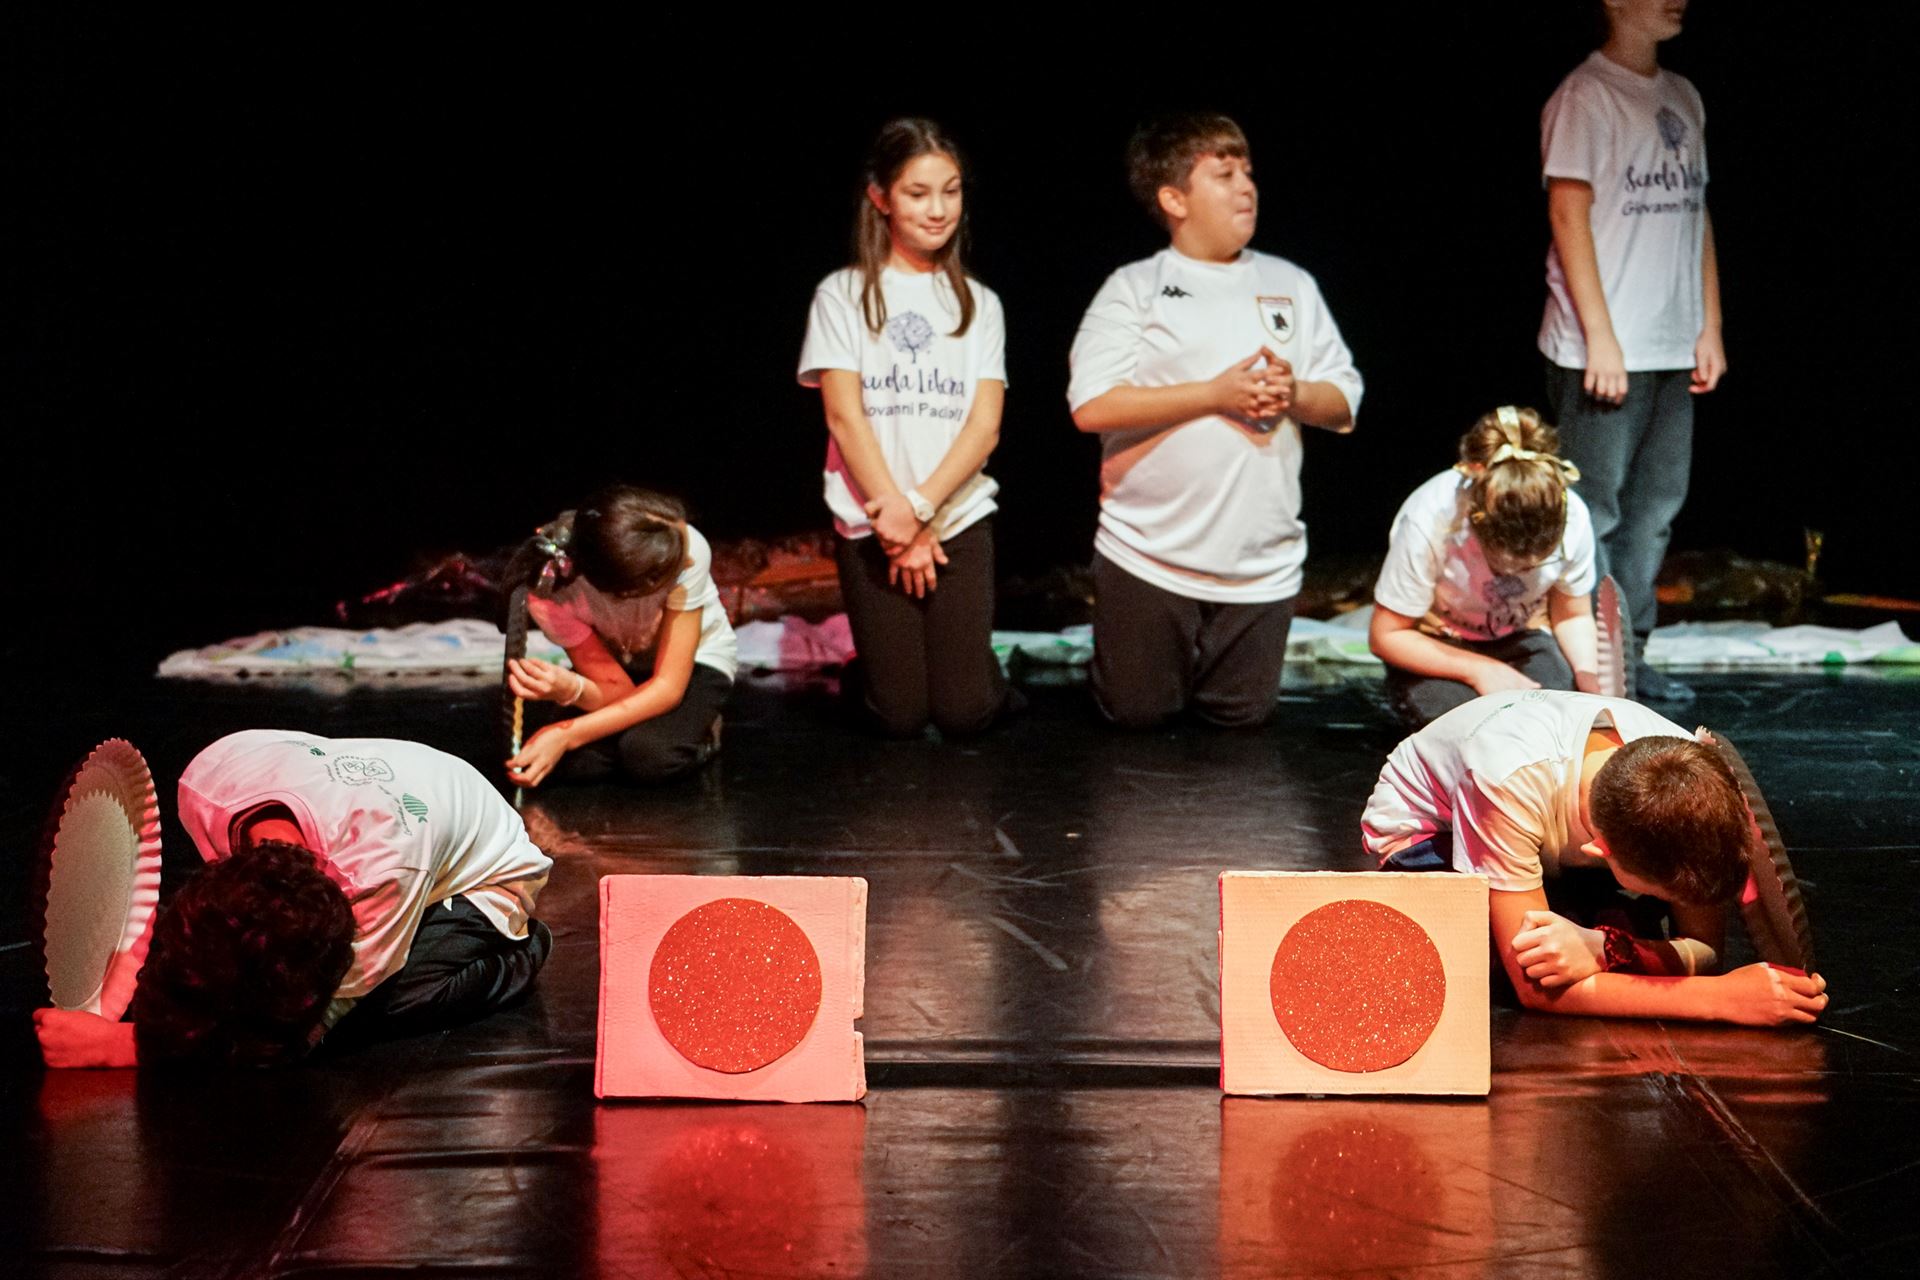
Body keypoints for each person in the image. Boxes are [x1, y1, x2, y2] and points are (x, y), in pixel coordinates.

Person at [1068, 112, 1362, 729]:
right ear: (1174, 199)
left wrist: (1293, 393)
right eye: (1224, 175)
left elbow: (1343, 400)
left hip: (1260, 567)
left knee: (1241, 725)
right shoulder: (1136, 287)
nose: (1246, 187)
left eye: (1247, 173)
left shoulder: (1290, 282)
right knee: (1138, 717)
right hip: (1149, 554)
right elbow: (1092, 405)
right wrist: (1214, 394)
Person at [35, 730, 553, 1068]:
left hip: (484, 881)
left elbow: (299, 1032)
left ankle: (522, 950)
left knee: (364, 1018)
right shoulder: (205, 783)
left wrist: (131, 1047)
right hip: (408, 811)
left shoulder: (383, 872)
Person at [1361, 691, 1828, 1025]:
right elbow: (1536, 991)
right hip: (1430, 835)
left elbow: (1705, 951)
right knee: (1500, 965)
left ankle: (1596, 927)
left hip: (1550, 847)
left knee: (1608, 944)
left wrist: (1601, 949)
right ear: (1599, 852)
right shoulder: (1503, 779)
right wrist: (1721, 1000)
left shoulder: (1688, 767)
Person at [797, 117, 1011, 738]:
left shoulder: (980, 303)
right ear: (881, 197)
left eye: (951, 191)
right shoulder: (843, 294)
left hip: (955, 517)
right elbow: (845, 415)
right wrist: (893, 515)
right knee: (899, 715)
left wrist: (920, 508)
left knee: (965, 714)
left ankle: (976, 672)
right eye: (918, 193)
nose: (938, 209)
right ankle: (868, 674)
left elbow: (984, 427)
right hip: (873, 521)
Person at [1538, 0, 1723, 704]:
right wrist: (1601, 337)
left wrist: (1709, 323)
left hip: (1670, 342)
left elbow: (1696, 214)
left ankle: (1632, 658)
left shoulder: (1684, 95)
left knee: (1654, 511)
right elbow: (1568, 214)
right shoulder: (1585, 95)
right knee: (1595, 511)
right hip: (1603, 347)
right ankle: (1593, 664)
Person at [1370, 405, 1599, 728]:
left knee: (1557, 720)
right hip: (1440, 644)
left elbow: (1572, 615)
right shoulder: (1431, 517)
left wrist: (1589, 678)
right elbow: (1386, 635)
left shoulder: (1573, 516)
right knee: (1470, 728)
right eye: (1504, 564)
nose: (1517, 573)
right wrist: (1480, 670)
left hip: (1520, 638)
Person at [505, 484, 738, 785]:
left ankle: (705, 731)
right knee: (575, 765)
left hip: (693, 662)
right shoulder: (550, 594)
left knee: (649, 756)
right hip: (622, 665)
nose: (689, 561)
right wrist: (571, 689)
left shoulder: (685, 545)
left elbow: (668, 686)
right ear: (625, 593)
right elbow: (616, 688)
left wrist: (567, 734)